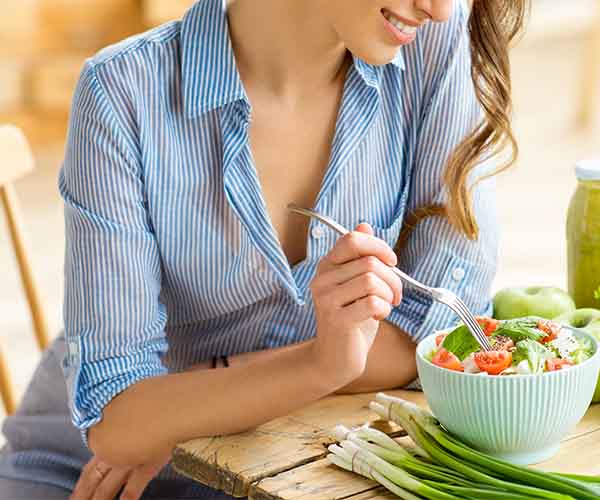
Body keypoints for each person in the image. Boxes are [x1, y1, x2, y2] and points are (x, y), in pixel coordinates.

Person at [0, 0, 527, 498]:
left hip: (283, 458)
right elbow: (117, 422)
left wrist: (202, 393)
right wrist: (318, 365)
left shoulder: (431, 43)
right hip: (92, 476)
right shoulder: (124, 92)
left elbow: (446, 331)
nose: (437, 7)